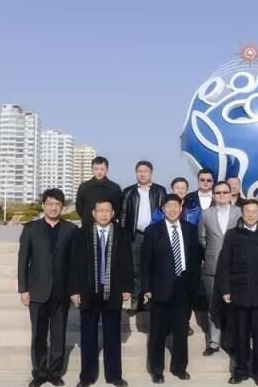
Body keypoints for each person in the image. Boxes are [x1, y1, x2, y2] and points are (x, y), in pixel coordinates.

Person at [69, 198, 133, 387]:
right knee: (88, 336)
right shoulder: (82, 234)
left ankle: (114, 375)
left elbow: (127, 262)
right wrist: (74, 290)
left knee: (112, 335)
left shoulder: (121, 234)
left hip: (113, 291)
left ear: (113, 214)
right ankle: (87, 376)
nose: (104, 214)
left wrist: (127, 287)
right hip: (88, 291)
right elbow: (74, 264)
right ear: (93, 213)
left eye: (107, 211)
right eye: (100, 210)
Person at [18, 189, 77, 387]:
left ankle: (54, 372)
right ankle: (39, 372)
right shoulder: (31, 229)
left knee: (59, 334)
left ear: (62, 207)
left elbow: (75, 263)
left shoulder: (71, 229)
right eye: (50, 204)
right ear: (43, 205)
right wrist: (23, 289)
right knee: (38, 334)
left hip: (61, 291)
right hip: (37, 290)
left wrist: (74, 290)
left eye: (57, 204)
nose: (53, 208)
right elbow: (23, 261)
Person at [217, 199, 258, 386]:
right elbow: (224, 264)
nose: (251, 215)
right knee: (240, 335)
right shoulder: (232, 234)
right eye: (247, 211)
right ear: (242, 214)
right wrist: (225, 289)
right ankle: (241, 370)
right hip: (239, 292)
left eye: (254, 211)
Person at [142, 194, 202, 384]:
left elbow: (195, 259)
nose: (172, 210)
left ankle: (179, 367)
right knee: (158, 332)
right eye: (168, 206)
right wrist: (147, 287)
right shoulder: (152, 231)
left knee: (181, 331)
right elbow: (145, 263)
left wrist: (194, 284)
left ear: (181, 207)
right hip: (160, 287)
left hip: (183, 288)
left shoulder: (190, 229)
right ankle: (157, 370)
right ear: (163, 209)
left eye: (176, 206)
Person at [197, 181, 241, 356]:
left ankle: (230, 341)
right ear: (213, 195)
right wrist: (212, 251)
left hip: (235, 267)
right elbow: (202, 238)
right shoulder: (206, 214)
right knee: (213, 305)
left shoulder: (239, 212)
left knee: (233, 306)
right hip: (213, 266)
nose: (221, 195)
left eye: (225, 192)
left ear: (231, 194)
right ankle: (214, 342)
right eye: (218, 193)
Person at [120, 160, 166, 310]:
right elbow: (123, 215)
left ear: (151, 173)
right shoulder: (128, 192)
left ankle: (153, 299)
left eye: (145, 171)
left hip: (155, 236)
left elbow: (164, 212)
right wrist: (124, 235)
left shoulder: (160, 191)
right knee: (136, 269)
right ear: (136, 173)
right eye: (139, 171)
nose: (142, 174)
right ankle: (136, 300)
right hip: (136, 236)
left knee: (155, 267)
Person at [75, 156, 123, 226]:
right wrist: (88, 219)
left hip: (109, 226)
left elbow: (118, 209)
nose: (99, 172)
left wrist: (108, 220)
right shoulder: (84, 187)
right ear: (92, 169)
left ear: (107, 169)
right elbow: (79, 208)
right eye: (96, 169)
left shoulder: (115, 188)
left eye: (102, 169)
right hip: (88, 225)